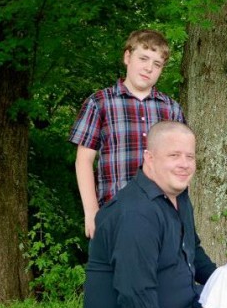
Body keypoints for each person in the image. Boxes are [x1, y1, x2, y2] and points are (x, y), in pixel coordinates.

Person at [51, 121, 216, 308]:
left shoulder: (178, 197)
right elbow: (133, 287)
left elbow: (194, 253)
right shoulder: (136, 213)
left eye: (189, 156)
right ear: (149, 158)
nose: (184, 164)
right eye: (174, 155)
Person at [69, 29, 186, 238]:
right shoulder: (99, 103)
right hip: (115, 214)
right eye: (143, 58)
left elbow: (181, 165)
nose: (149, 68)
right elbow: (83, 161)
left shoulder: (171, 109)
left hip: (163, 215)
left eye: (157, 64)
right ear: (127, 57)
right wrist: (91, 212)